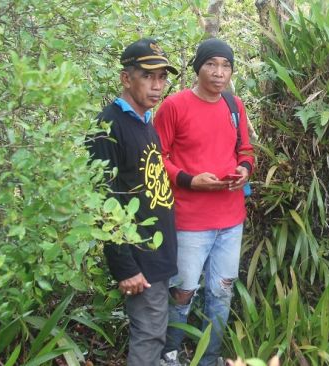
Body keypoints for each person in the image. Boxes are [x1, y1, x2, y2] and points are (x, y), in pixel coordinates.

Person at [154, 38, 255, 366]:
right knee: (183, 291)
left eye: (226, 66)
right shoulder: (174, 106)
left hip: (231, 218)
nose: (219, 72)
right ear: (198, 67)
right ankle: (169, 353)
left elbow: (246, 150)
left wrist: (244, 169)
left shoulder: (233, 105)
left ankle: (207, 358)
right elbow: (155, 158)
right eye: (211, 64)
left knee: (221, 292)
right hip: (189, 220)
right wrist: (188, 179)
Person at [87, 38, 179, 365]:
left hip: (157, 253)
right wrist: (124, 266)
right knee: (149, 334)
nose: (157, 86)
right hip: (139, 259)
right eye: (148, 76)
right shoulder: (108, 126)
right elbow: (101, 198)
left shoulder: (143, 121)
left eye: (162, 78)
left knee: (156, 333)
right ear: (127, 79)